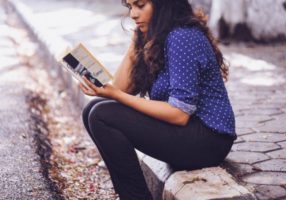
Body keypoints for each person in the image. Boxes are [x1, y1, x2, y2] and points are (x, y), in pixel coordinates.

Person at [80, 0, 236, 199]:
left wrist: (116, 95)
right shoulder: (158, 38)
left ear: (164, 4)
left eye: (140, 5)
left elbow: (179, 114)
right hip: (187, 133)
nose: (133, 15)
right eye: (130, 7)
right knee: (93, 109)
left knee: (102, 115)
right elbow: (120, 88)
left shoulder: (182, 37)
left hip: (208, 139)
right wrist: (137, 41)